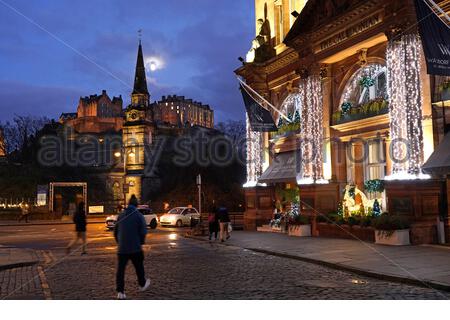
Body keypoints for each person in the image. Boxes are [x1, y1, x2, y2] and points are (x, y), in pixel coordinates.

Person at [114, 195, 150, 300]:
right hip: (135, 247)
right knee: (139, 266)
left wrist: (119, 242)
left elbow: (115, 231)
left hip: (122, 248)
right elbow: (143, 231)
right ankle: (142, 284)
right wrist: (141, 242)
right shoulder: (139, 215)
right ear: (136, 205)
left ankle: (120, 292)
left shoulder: (121, 215)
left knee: (120, 270)